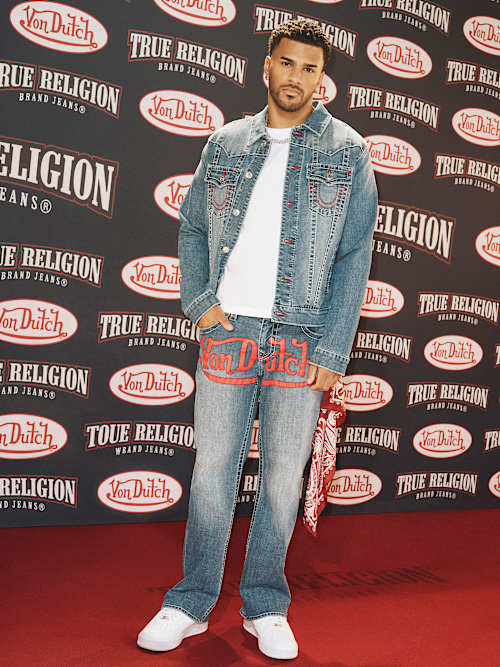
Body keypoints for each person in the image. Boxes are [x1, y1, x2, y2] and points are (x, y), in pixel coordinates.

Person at [137, 17, 378, 660]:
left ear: (321, 78)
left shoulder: (347, 150)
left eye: (310, 67)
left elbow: (354, 255)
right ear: (267, 66)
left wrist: (333, 349)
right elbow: (193, 228)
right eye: (287, 63)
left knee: (280, 482)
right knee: (212, 473)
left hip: (301, 335)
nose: (296, 76)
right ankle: (190, 601)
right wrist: (201, 304)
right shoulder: (225, 142)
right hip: (229, 331)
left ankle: (266, 605)